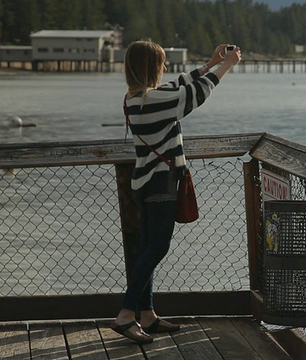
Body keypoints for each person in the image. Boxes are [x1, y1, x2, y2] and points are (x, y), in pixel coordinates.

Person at [111, 40, 241, 344]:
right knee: (157, 249)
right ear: (151, 67)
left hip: (144, 183)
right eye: (162, 63)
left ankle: (147, 315)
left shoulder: (135, 99)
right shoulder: (154, 101)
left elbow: (177, 85)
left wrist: (209, 64)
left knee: (148, 249)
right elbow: (196, 93)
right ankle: (126, 315)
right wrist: (226, 66)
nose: (167, 68)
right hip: (160, 185)